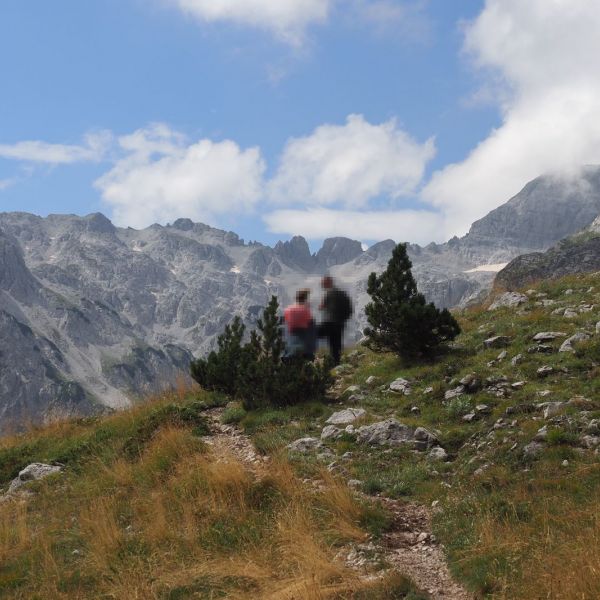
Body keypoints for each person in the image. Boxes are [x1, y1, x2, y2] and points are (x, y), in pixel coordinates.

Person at [318, 276, 353, 366]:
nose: (322, 285)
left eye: (323, 283)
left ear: (328, 283)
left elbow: (322, 307)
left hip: (330, 322)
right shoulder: (341, 293)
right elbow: (349, 308)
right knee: (335, 344)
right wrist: (343, 319)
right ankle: (336, 364)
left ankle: (298, 356)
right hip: (339, 323)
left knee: (312, 334)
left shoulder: (329, 294)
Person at [283, 289, 317, 360]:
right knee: (312, 326)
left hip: (291, 334)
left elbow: (287, 322)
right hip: (303, 334)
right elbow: (310, 323)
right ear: (305, 299)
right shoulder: (305, 310)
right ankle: (309, 353)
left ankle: (286, 353)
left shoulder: (288, 309)